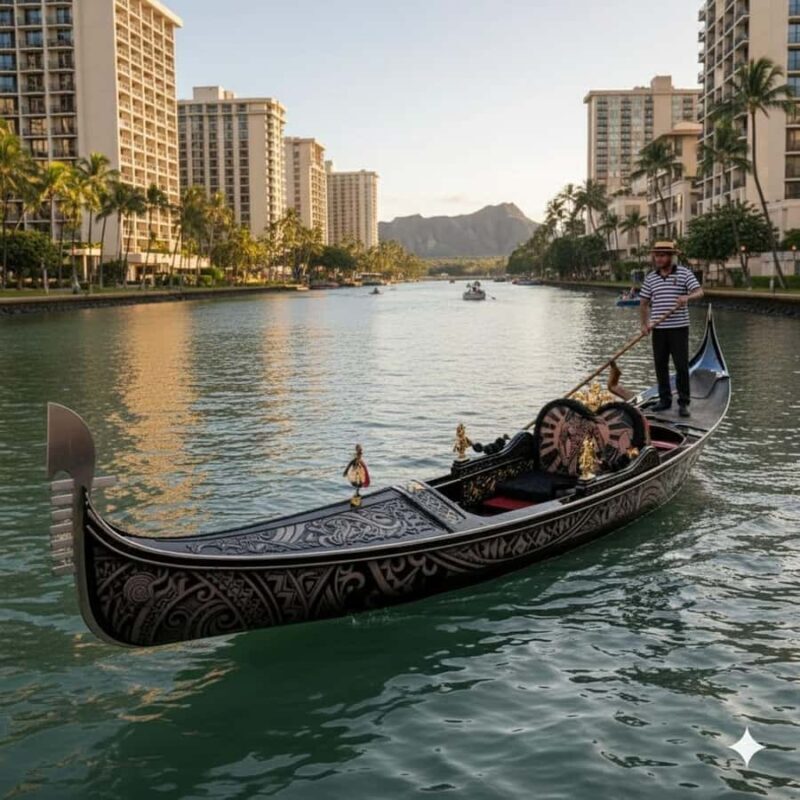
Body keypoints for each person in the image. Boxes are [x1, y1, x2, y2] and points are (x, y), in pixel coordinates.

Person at [639, 241, 704, 417]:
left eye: (662, 255)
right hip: (658, 328)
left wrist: (687, 297)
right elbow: (643, 303)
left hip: (679, 328)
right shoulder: (651, 278)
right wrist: (644, 325)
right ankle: (665, 400)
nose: (658, 259)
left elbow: (700, 292)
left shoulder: (684, 273)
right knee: (660, 365)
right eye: (656, 256)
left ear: (670, 256)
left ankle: (684, 403)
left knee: (681, 366)